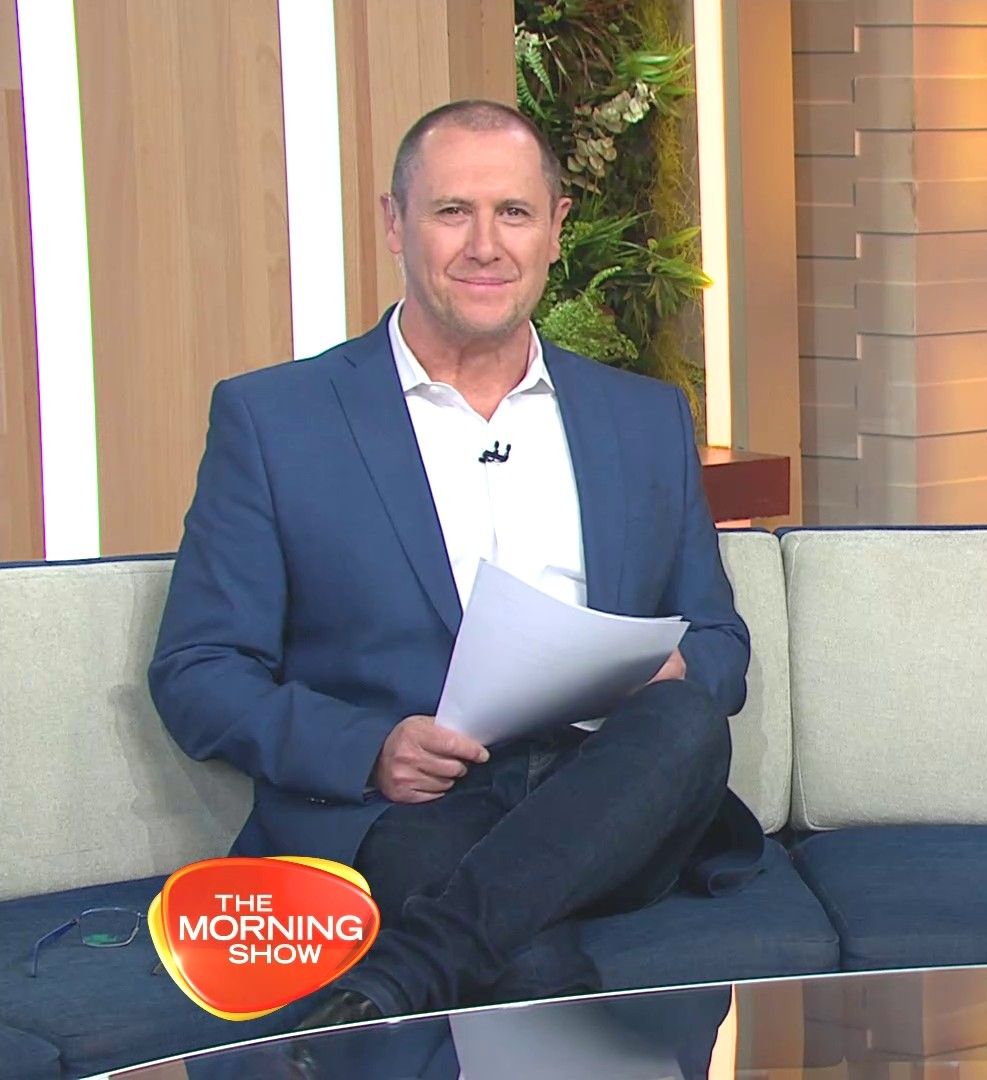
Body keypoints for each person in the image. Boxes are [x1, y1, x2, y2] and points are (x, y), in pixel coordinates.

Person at [149, 99, 765, 1032]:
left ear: (555, 230)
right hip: (414, 812)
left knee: (684, 719)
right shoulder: (277, 421)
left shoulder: (642, 418)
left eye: (513, 213)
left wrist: (672, 666)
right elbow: (198, 671)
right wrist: (371, 748)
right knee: (528, 960)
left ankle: (405, 970)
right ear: (395, 224)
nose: (486, 246)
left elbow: (719, 639)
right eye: (452, 212)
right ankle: (448, 955)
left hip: (608, 792)